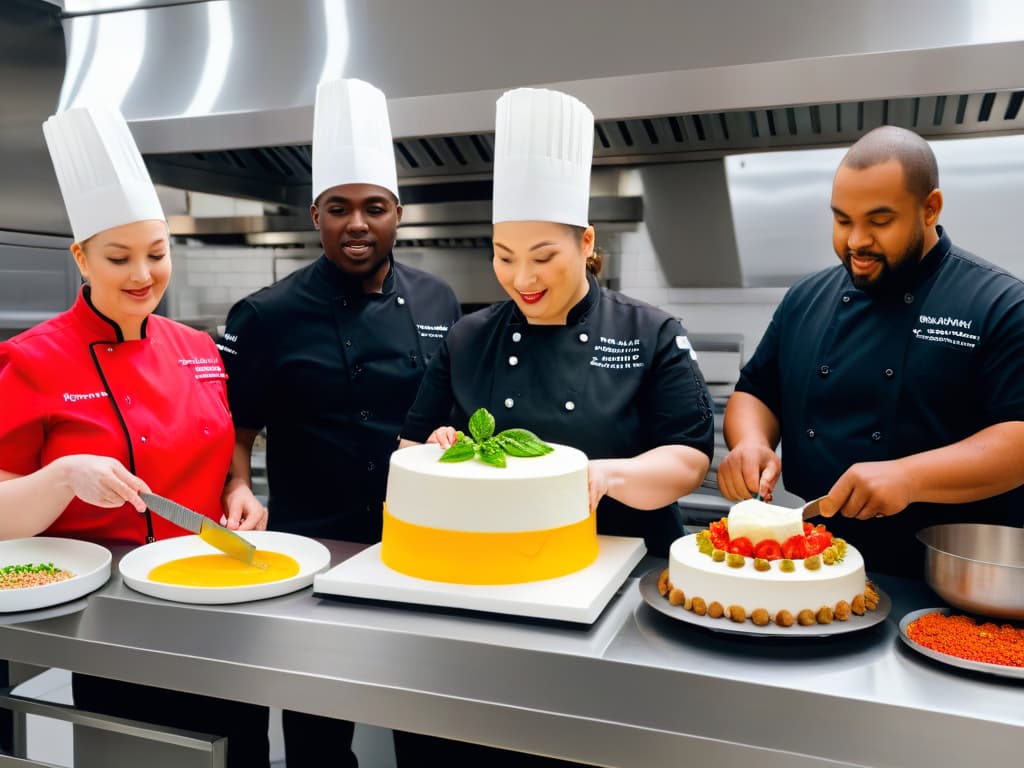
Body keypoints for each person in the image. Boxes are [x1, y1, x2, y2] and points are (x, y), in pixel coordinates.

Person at [395, 87, 713, 766]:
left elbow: (688, 457)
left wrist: (608, 476)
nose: (521, 276)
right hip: (484, 591)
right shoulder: (467, 338)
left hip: (624, 593)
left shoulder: (649, 331)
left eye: (543, 255)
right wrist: (437, 448)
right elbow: (415, 442)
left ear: (587, 241)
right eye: (503, 255)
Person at [0, 105, 269, 766]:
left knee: (241, 750)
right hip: (111, 614)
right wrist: (63, 477)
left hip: (217, 590)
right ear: (81, 257)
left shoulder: (198, 346)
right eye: (119, 258)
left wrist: (238, 487)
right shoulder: (31, 359)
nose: (143, 274)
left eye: (156, 253)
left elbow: (221, 451)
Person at [218, 78, 461, 768]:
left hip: (417, 542)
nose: (358, 223)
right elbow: (239, 424)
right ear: (315, 218)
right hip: (313, 541)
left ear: (398, 214)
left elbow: (451, 412)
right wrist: (241, 487)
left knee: (427, 710)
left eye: (374, 207)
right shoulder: (266, 314)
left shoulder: (440, 298)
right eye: (340, 208)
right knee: (319, 724)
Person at [719, 125, 1024, 577]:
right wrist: (750, 442)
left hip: (946, 574)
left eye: (879, 221)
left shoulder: (999, 303)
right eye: (842, 220)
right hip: (817, 560)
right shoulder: (807, 296)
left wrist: (909, 476)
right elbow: (756, 392)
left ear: (930, 209)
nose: (856, 240)